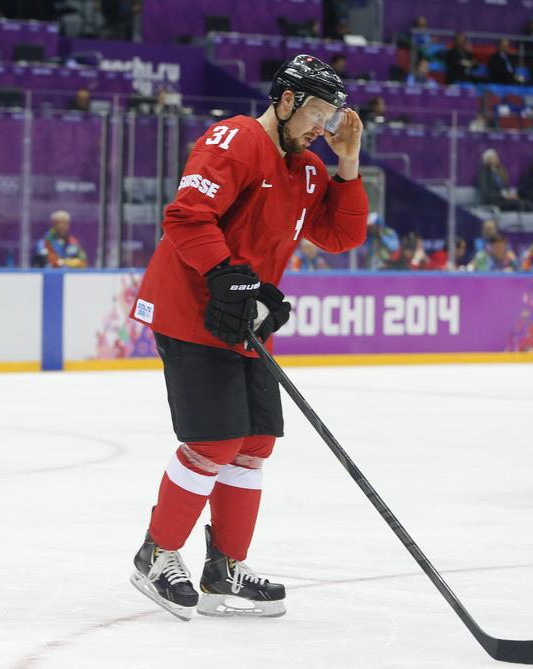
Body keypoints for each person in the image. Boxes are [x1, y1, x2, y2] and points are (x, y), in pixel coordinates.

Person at [127, 54, 368, 620]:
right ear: (284, 101)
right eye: (314, 112)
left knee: (255, 443)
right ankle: (156, 556)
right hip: (193, 312)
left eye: (329, 117)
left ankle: (223, 569)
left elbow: (338, 235)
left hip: (243, 321)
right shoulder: (232, 140)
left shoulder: (308, 167)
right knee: (212, 443)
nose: (320, 126)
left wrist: (349, 163)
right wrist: (228, 277)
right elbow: (187, 217)